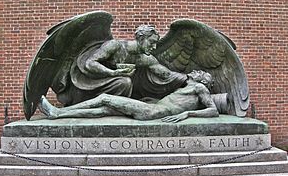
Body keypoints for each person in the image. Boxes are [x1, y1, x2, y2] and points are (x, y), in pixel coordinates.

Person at [57, 25, 187, 106]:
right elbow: (90, 63)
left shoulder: (145, 59)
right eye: (152, 42)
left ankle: (113, 107)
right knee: (124, 82)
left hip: (116, 86)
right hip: (93, 81)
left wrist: (187, 79)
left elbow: (165, 74)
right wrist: (113, 73)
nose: (154, 47)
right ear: (141, 39)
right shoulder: (115, 46)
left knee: (125, 82)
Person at [39, 70, 219, 123]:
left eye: (200, 72)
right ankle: (59, 115)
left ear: (204, 80)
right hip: (153, 108)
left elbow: (213, 111)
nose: (195, 71)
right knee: (104, 110)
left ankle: (57, 111)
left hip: (153, 112)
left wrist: (188, 114)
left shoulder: (200, 87)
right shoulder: (186, 88)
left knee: (105, 98)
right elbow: (172, 103)